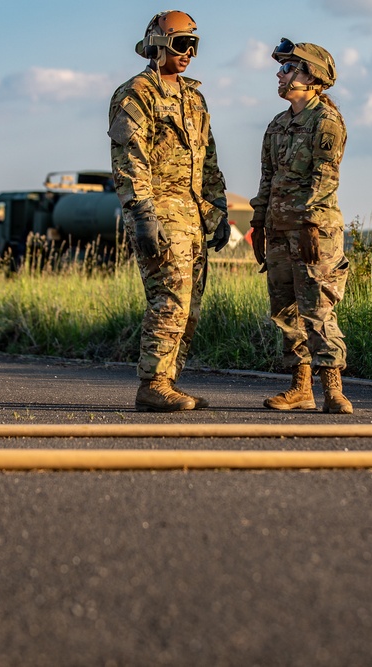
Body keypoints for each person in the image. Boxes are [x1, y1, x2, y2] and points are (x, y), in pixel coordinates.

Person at [108, 10, 231, 412]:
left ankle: (169, 382)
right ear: (158, 45)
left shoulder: (194, 97)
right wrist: (142, 216)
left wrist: (218, 212)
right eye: (181, 45)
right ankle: (153, 382)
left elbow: (207, 160)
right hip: (159, 212)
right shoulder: (136, 94)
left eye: (194, 46)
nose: (189, 54)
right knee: (170, 298)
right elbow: (130, 159)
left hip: (193, 215)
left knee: (191, 304)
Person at [250, 38, 353, 414]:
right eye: (282, 68)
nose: (280, 75)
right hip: (279, 230)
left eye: (289, 68)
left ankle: (334, 390)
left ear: (312, 76)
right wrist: (259, 223)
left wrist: (309, 221)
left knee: (318, 307)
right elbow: (267, 177)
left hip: (315, 232)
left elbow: (326, 177)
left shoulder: (326, 121)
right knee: (285, 310)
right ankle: (300, 388)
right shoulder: (277, 125)